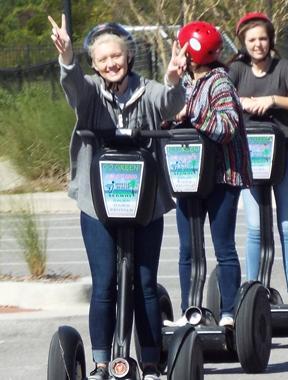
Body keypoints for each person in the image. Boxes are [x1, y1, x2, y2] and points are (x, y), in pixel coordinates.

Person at [48, 14, 188, 380]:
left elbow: (171, 104)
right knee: (105, 282)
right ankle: (100, 364)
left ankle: (153, 363)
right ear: (94, 64)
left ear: (129, 58)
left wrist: (175, 79)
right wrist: (66, 58)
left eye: (117, 57)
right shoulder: (91, 92)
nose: (111, 63)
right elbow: (75, 87)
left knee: (144, 283)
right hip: (97, 204)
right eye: (103, 59)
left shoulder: (148, 90)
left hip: (146, 204)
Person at [164, 21, 252, 328]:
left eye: (184, 49)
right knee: (188, 247)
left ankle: (228, 313)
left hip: (223, 175)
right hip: (188, 174)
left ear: (194, 52)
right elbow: (164, 115)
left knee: (223, 245)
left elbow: (227, 127)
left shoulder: (220, 82)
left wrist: (192, 112)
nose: (180, 53)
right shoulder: (184, 82)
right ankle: (191, 311)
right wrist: (170, 98)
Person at [228, 12, 288, 305]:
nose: (258, 44)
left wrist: (273, 100)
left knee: (287, 225)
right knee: (254, 227)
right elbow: (220, 99)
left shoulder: (283, 68)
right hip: (250, 157)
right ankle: (254, 294)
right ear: (244, 42)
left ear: (270, 40)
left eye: (263, 38)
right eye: (252, 39)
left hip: (284, 154)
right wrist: (245, 102)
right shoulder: (237, 69)